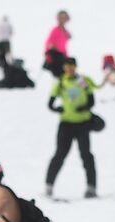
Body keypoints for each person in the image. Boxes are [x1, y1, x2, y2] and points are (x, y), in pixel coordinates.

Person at [45, 57, 100, 199]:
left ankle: (91, 187)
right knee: (60, 154)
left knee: (86, 155)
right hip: (66, 123)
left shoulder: (81, 81)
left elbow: (91, 100)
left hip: (82, 123)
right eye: (67, 66)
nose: (70, 69)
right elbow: (50, 103)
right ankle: (49, 186)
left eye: (72, 66)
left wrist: (85, 107)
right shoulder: (61, 82)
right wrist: (58, 109)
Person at [44, 9, 70, 79]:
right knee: (63, 76)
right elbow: (48, 44)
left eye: (64, 18)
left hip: (64, 57)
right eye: (61, 18)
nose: (63, 19)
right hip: (56, 58)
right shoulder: (55, 30)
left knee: (71, 69)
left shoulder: (65, 31)